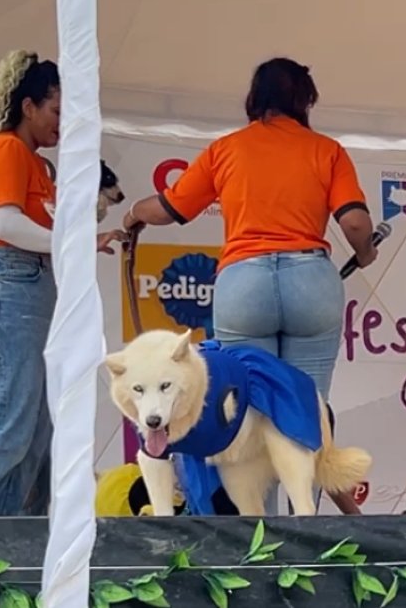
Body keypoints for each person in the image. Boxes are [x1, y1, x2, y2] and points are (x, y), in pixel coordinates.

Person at [123, 57, 376, 515]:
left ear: (254, 98)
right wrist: (365, 251)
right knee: (306, 413)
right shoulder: (327, 151)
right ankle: (307, 530)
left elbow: (170, 207)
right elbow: (355, 223)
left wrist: (133, 214)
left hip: (244, 284)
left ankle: (258, 534)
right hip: (310, 281)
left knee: (245, 418)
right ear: (306, 101)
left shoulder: (227, 149)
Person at [0, 50, 126, 517]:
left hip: (27, 289)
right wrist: (74, 243)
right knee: (8, 429)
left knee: (35, 435)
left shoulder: (38, 165)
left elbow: (46, 231)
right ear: (28, 106)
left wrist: (87, 233)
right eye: (56, 111)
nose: (62, 124)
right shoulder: (6, 148)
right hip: (5, 286)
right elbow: (5, 224)